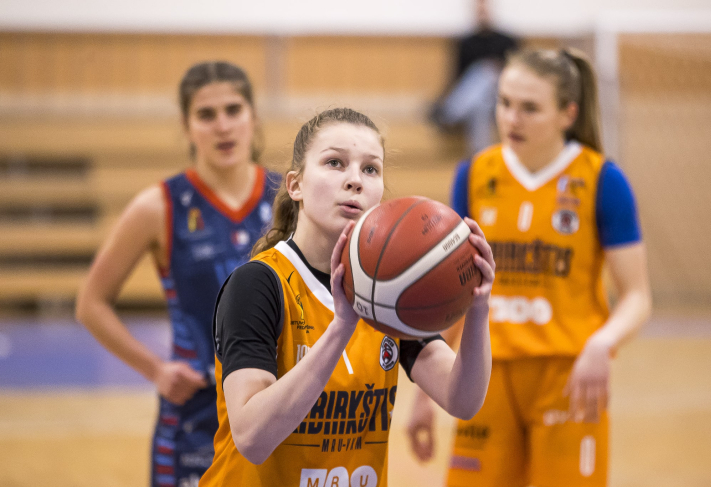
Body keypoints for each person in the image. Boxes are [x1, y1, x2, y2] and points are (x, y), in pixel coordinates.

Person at [198, 107, 496, 486]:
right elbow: (252, 438)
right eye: (335, 163)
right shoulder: (258, 284)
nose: (355, 180)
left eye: (370, 169)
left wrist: (478, 307)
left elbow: (463, 400)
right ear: (296, 185)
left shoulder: (388, 291)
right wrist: (341, 327)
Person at [407, 48, 653, 487]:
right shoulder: (475, 175)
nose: (511, 118)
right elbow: (458, 293)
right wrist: (428, 389)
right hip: (486, 374)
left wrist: (604, 342)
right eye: (504, 103)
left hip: (566, 376)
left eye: (530, 108)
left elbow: (637, 296)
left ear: (567, 113)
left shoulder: (602, 180)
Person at [75, 61, 279, 487]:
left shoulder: (288, 201)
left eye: (233, 110)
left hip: (272, 410)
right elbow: (90, 304)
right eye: (206, 114)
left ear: (253, 117)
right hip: (193, 421)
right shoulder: (159, 206)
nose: (222, 126)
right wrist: (156, 370)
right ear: (187, 128)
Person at [430, 0, 519, 157]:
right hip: (480, 98)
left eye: (484, 10)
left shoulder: (507, 41)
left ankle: (451, 113)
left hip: (502, 94)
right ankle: (480, 154)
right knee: (480, 104)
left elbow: (517, 71)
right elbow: (458, 76)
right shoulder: (466, 42)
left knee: (486, 72)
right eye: (479, 11)